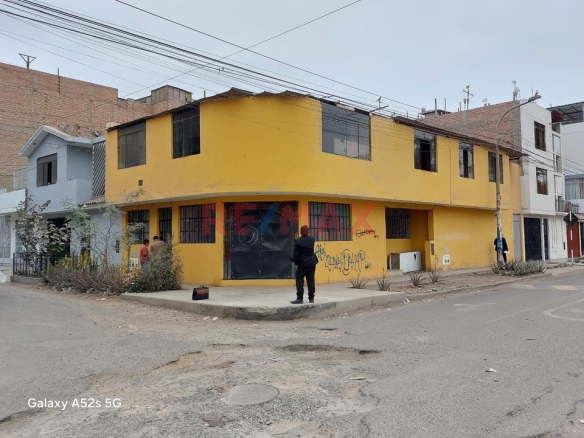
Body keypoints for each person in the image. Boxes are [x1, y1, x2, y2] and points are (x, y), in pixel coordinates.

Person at [290, 225, 318, 304]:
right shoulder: (312, 239)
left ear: (301, 232)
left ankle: (300, 298)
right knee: (311, 280)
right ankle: (311, 298)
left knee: (299, 279)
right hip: (312, 262)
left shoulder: (298, 241)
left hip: (303, 263)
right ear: (308, 231)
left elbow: (296, 254)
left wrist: (296, 263)